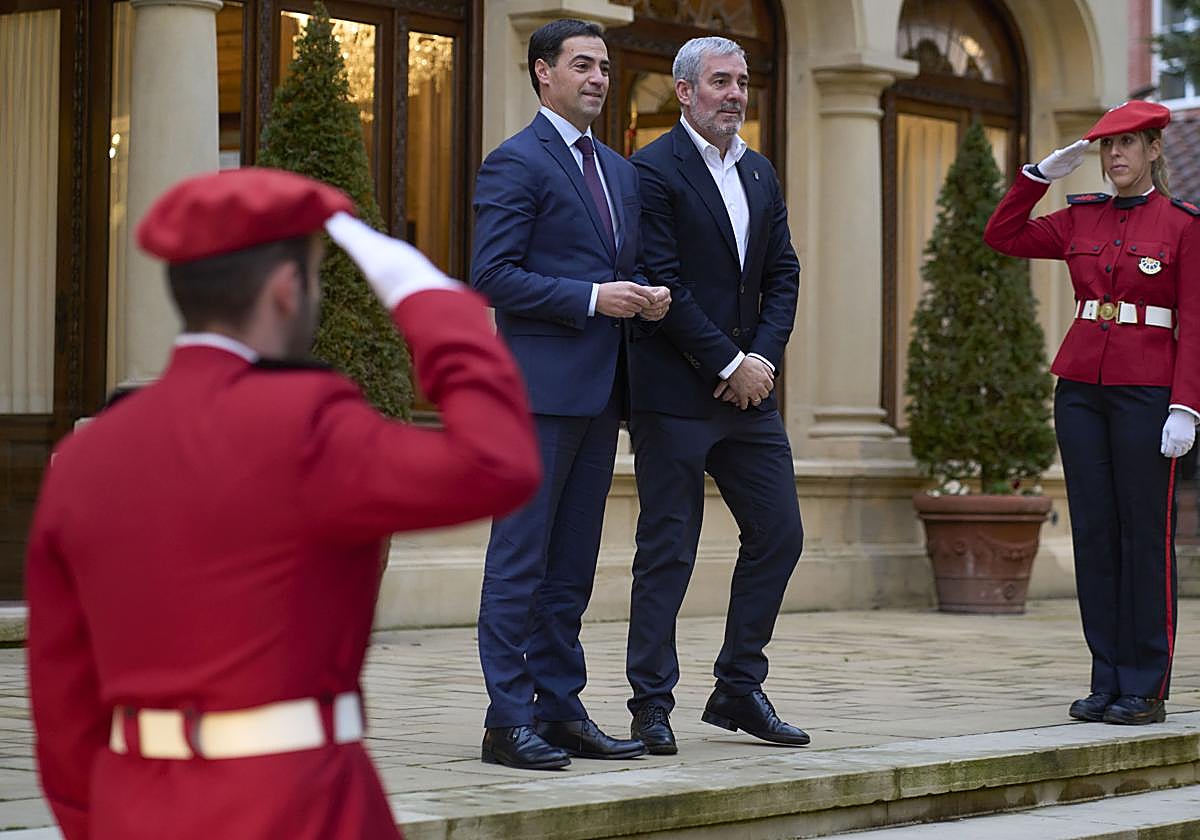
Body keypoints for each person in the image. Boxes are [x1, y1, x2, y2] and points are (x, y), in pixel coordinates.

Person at [26, 167, 541, 839]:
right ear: (285, 289)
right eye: (316, 280)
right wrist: (432, 303)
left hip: (135, 806)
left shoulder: (84, 457)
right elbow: (498, 463)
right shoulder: (309, 425)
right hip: (298, 805)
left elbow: (62, 700)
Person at [470, 17, 669, 770]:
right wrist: (592, 299)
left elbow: (618, 266)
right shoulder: (514, 162)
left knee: (571, 567)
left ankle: (559, 710)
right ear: (542, 73)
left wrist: (643, 294)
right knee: (519, 561)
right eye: (582, 64)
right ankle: (506, 719)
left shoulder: (619, 172)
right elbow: (493, 275)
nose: (597, 78)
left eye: (604, 67)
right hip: (534, 396)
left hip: (601, 394)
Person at [984, 100, 1200, 726]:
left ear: (1154, 150)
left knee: (1144, 536)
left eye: (1128, 144)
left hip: (1148, 392)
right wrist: (1038, 177)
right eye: (1107, 146)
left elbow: (1195, 323)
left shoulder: (1183, 225)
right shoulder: (1081, 216)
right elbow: (1002, 235)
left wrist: (1186, 405)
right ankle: (1106, 678)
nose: (1116, 155)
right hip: (1080, 388)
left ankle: (1145, 686)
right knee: (1096, 535)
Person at [624, 36, 807, 755]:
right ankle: (650, 703)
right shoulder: (651, 169)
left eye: (742, 82)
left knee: (780, 533)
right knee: (667, 550)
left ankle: (737, 686)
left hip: (749, 397)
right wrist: (728, 362)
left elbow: (783, 273)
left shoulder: (759, 171)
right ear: (684, 92)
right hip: (674, 393)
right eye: (721, 82)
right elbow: (662, 280)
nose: (735, 94)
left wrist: (759, 359)